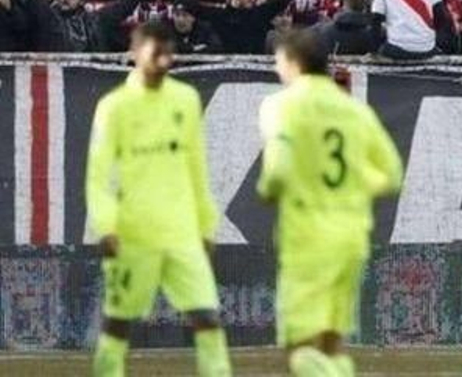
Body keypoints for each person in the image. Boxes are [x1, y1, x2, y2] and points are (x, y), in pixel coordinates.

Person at [86, 21, 232, 376]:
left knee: (207, 317)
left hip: (181, 232)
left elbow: (196, 168)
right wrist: (105, 225)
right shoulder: (114, 106)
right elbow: (99, 174)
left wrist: (207, 225)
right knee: (118, 323)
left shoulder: (185, 99)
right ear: (135, 54)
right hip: (133, 233)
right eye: (155, 53)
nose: (163, 61)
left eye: (169, 53)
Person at [258, 29, 403, 377]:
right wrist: (353, 185)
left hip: (307, 234)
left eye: (278, 61)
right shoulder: (354, 111)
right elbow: (392, 175)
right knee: (331, 341)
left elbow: (278, 168)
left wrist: (269, 188)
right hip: (352, 235)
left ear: (293, 63)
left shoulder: (281, 104)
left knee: (300, 348)